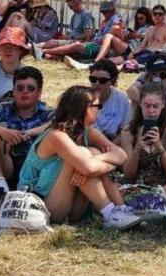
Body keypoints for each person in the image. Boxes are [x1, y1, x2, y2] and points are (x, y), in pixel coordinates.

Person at [18, 85, 139, 229]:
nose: (99, 109)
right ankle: (109, 212)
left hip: (73, 209)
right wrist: (101, 161)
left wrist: (96, 159)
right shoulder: (56, 135)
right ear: (86, 108)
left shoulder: (88, 132)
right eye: (97, 105)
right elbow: (88, 167)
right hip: (41, 207)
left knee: (91, 153)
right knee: (84, 154)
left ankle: (120, 209)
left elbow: (122, 155)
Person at [0, 64, 52, 199]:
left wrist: (31, 132)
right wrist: (3, 132)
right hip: (7, 166)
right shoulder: (4, 108)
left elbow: (59, 124)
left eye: (30, 88)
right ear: (13, 91)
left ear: (39, 92)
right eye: (20, 88)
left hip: (36, 170)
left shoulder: (47, 112)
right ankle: (0, 189)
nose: (24, 92)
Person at [117, 81, 166, 217]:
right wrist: (138, 149)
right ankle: (148, 204)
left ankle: (150, 202)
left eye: (155, 106)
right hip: (136, 185)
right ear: (140, 104)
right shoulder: (129, 131)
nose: (151, 111)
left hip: (163, 187)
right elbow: (128, 173)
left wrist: (159, 147)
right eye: (147, 106)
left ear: (163, 105)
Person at [88, 60, 132, 139]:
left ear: (112, 81)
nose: (97, 83)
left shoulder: (121, 100)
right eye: (93, 79)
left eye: (103, 81)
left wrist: (110, 146)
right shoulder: (83, 98)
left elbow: (125, 131)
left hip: (112, 143)